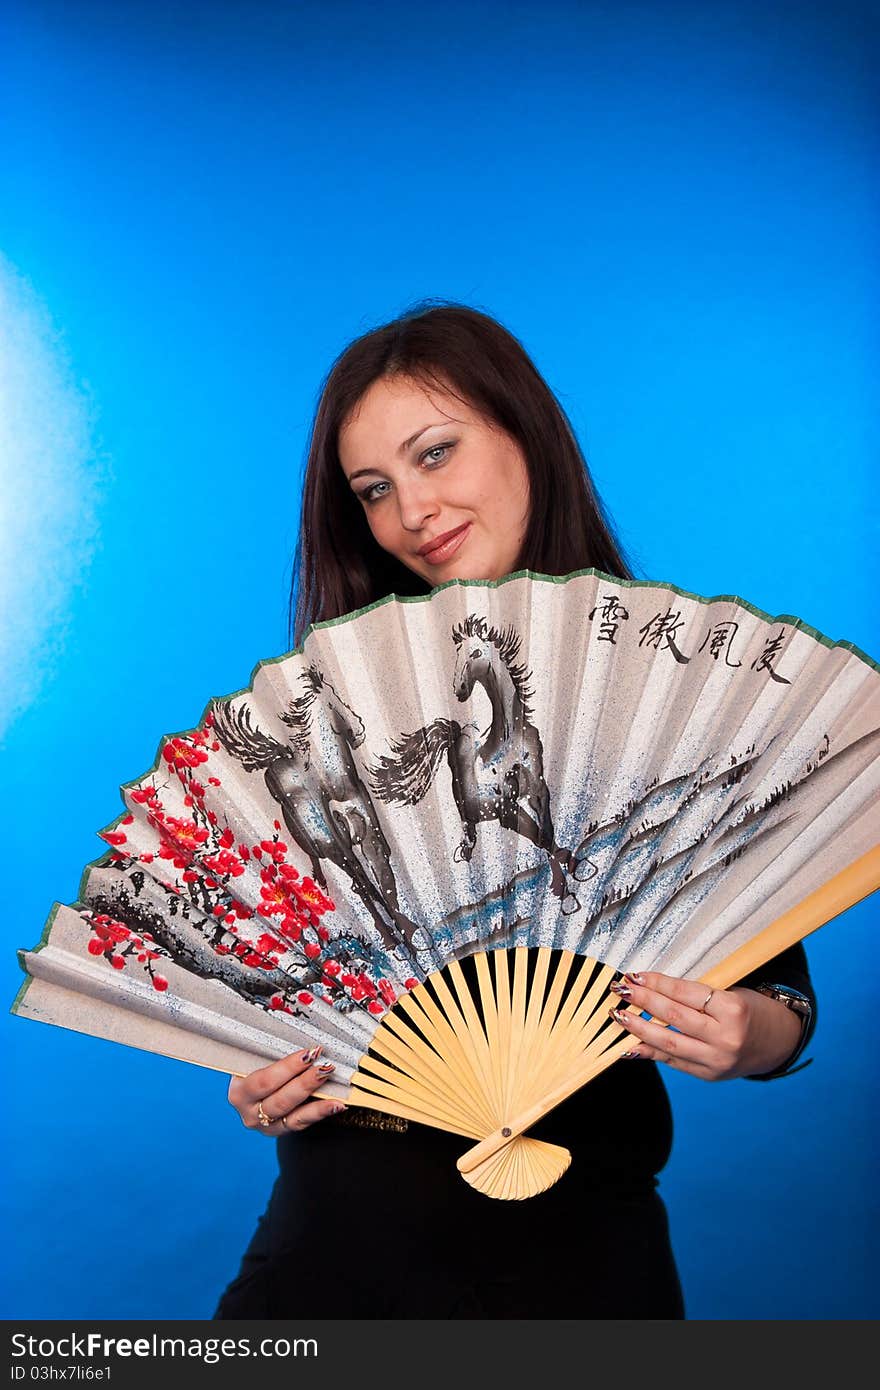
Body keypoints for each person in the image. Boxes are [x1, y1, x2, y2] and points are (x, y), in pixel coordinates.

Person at [212, 301, 816, 1320]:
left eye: (436, 453)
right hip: (327, 1257)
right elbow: (283, 977)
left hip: (576, 1260)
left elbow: (783, 1006)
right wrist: (265, 1073)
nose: (413, 510)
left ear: (523, 432)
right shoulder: (329, 711)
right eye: (375, 489)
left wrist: (744, 1033)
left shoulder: (672, 694)